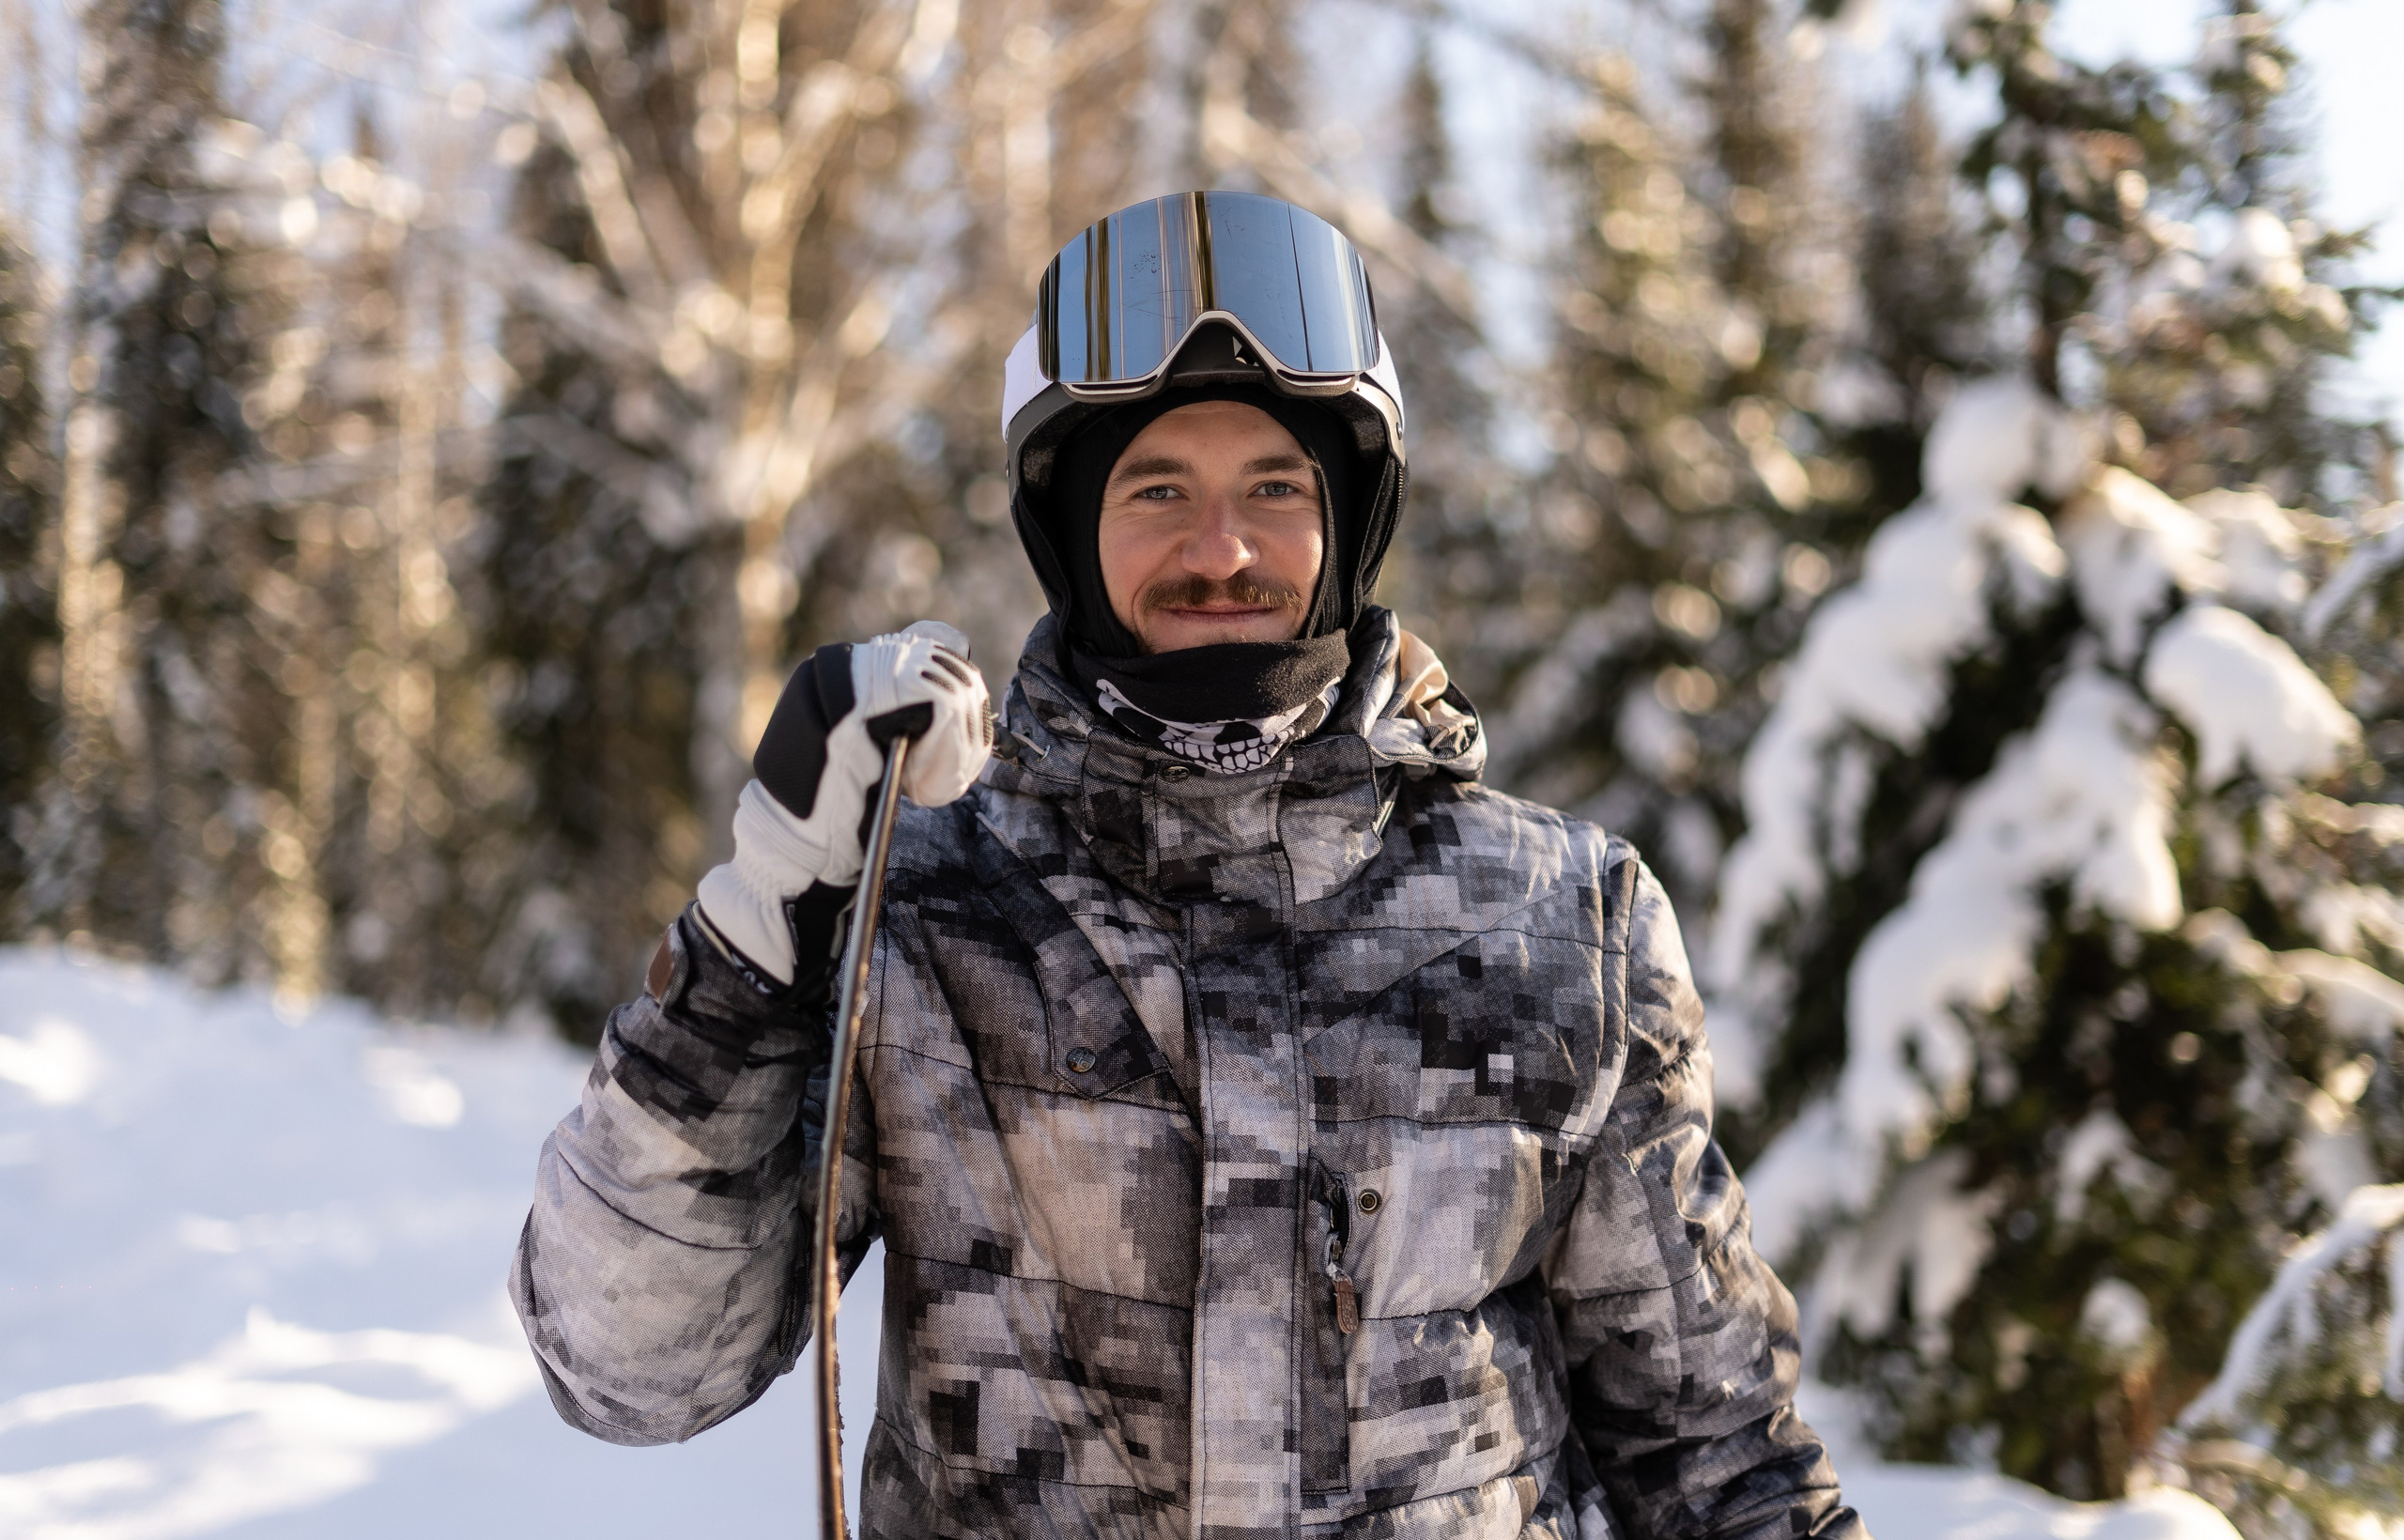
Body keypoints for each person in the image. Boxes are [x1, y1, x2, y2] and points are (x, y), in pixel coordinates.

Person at [511, 192, 1864, 1540]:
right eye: (1158, 490)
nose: (1220, 551)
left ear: (1349, 519)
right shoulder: (925, 914)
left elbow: (1719, 1454)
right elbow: (630, 1366)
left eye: (1274, 489)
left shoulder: (1557, 919)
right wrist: (756, 933)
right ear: (1070, 532)